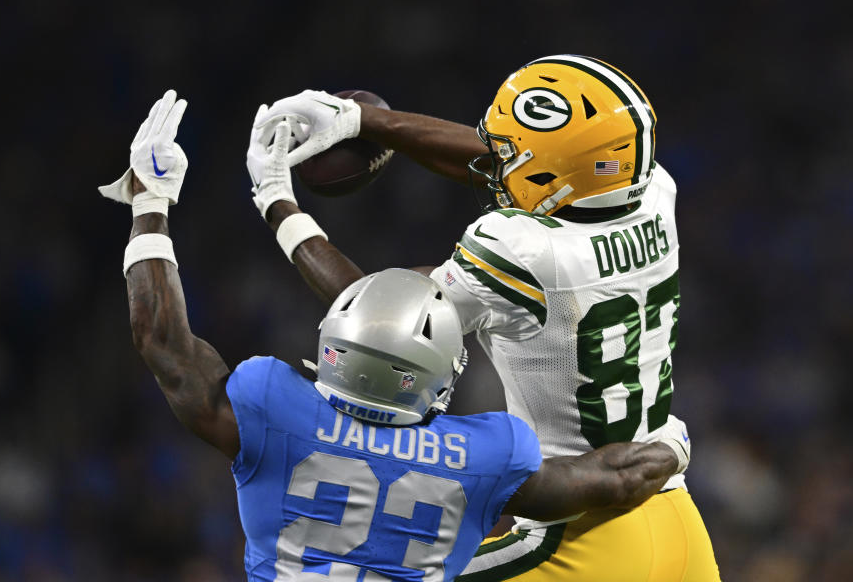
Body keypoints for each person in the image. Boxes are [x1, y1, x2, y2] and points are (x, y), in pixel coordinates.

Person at [99, 90, 691, 581]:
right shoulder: (481, 456)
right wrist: (672, 443)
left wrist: (151, 201)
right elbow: (613, 477)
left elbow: (162, 341)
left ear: (330, 347)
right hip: (648, 528)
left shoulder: (272, 408)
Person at [254, 54, 721, 581]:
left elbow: (380, 317)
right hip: (675, 517)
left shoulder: (519, 248)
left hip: (581, 539)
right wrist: (364, 120)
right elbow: (520, 161)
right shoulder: (655, 191)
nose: (498, 159)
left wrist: (276, 202)